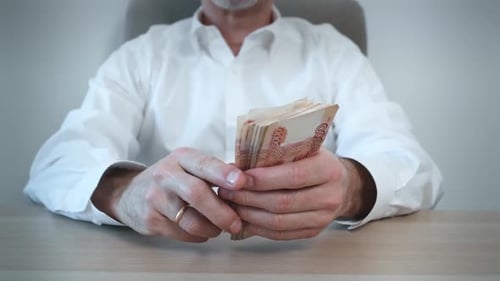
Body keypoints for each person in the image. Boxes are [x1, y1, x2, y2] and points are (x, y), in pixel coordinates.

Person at [24, 0, 443, 242]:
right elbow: (58, 163)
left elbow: (413, 166)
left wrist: (351, 187)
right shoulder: (141, 55)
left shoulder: (334, 51)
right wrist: (123, 192)